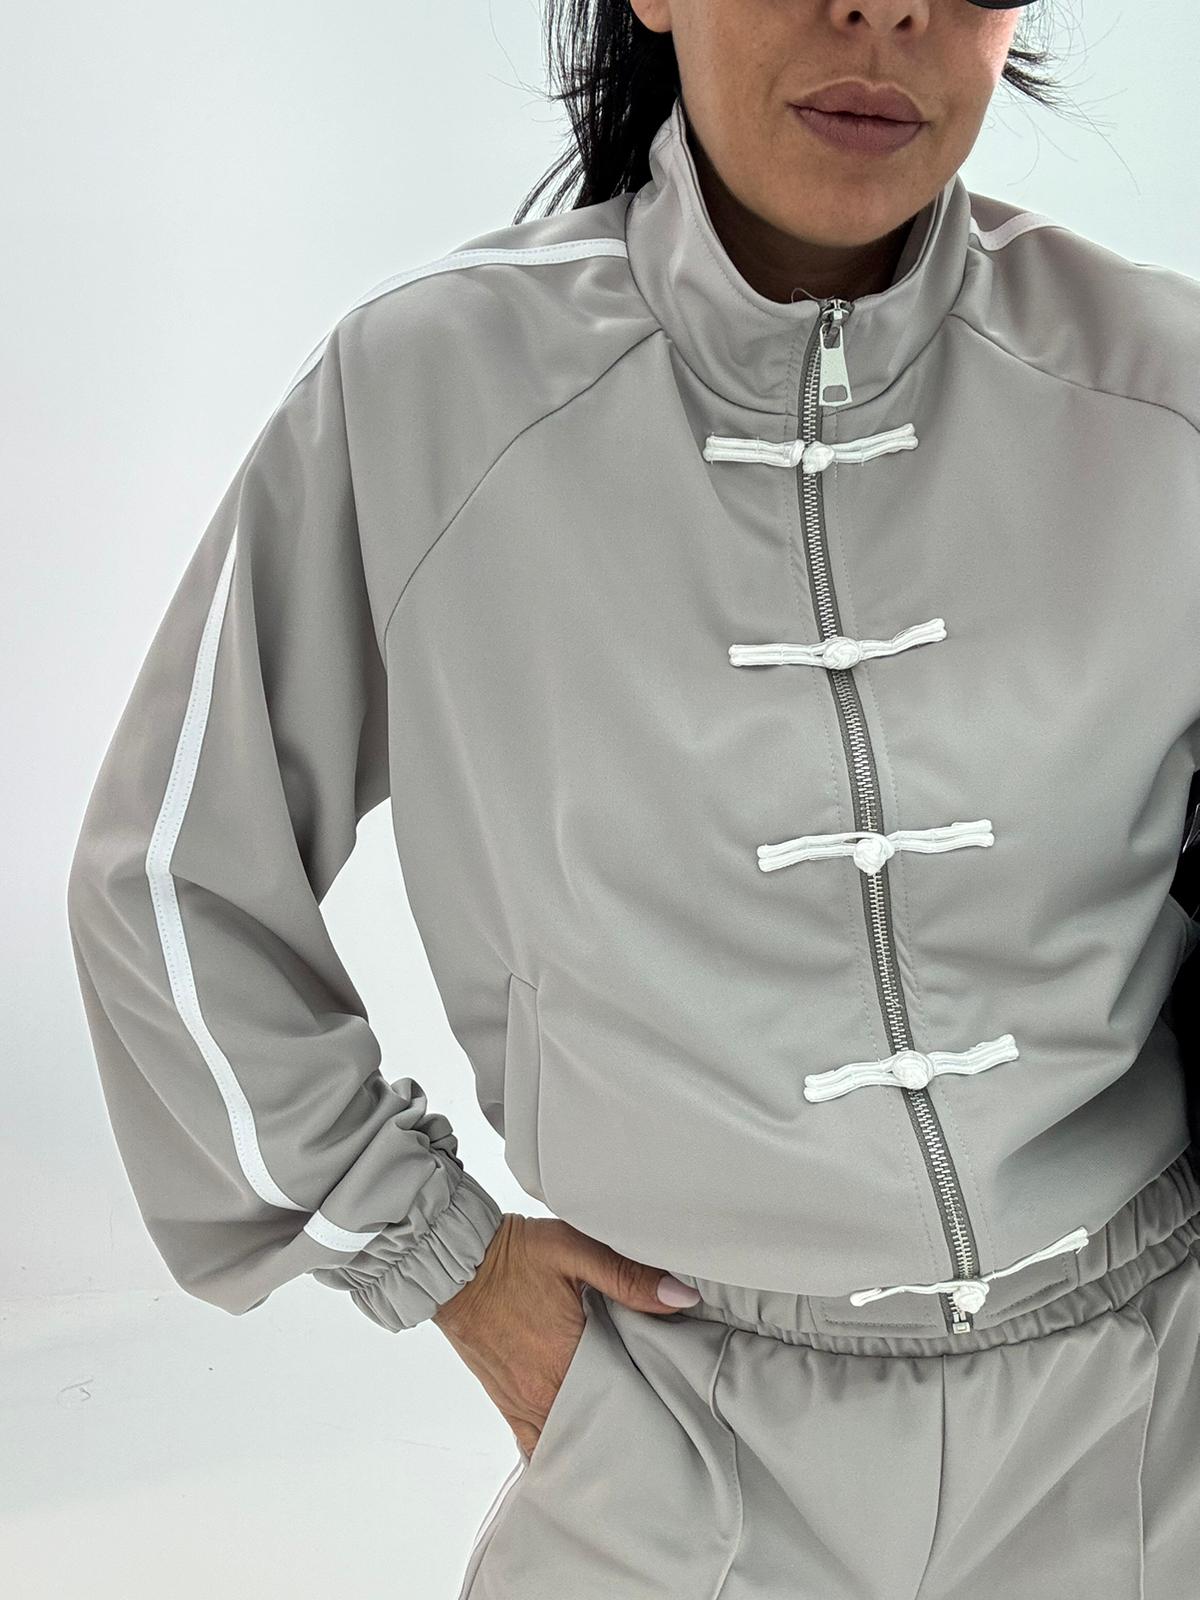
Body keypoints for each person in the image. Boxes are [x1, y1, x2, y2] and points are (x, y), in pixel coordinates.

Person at [66, 1, 1200, 1595]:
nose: (883, 10)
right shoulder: (428, 395)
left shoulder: (1161, 389)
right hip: (679, 1442)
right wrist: (437, 1252)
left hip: (1151, 1421)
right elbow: (167, 880)